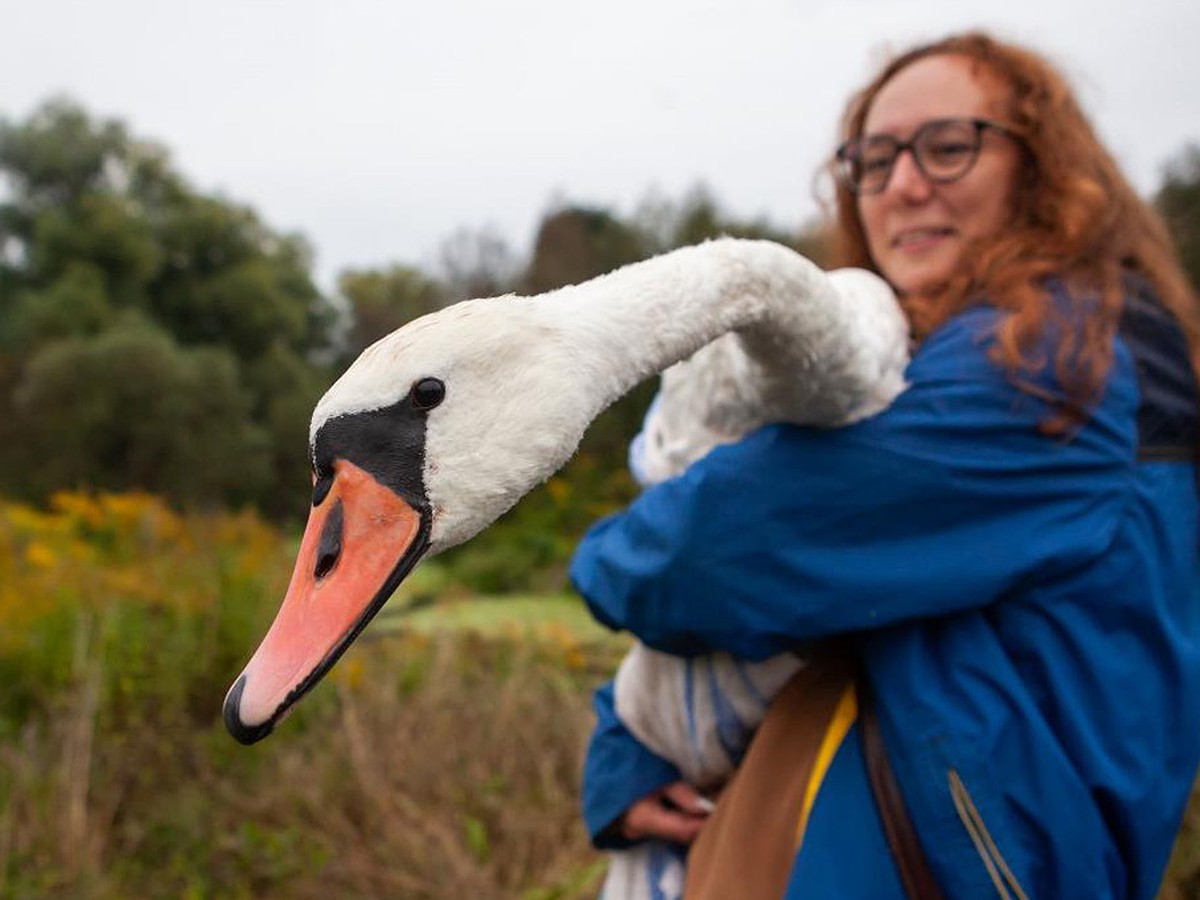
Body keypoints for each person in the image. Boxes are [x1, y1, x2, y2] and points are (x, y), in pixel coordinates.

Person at [572, 31, 1200, 900]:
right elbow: (854, 585)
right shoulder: (932, 353)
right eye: (873, 160)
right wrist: (626, 752)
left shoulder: (1058, 361)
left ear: (1045, 170)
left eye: (949, 148)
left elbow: (710, 553)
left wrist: (600, 558)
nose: (903, 185)